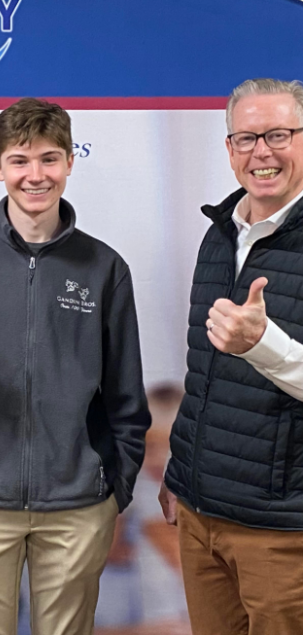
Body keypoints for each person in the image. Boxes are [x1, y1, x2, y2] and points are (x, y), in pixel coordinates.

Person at [0, 97, 150, 635]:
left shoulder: (104, 267)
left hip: (77, 503)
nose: (36, 175)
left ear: (70, 162)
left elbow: (126, 394)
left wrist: (115, 484)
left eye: (49, 158)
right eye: (20, 161)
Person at [160, 79, 303, 635]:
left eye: (277, 135)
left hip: (281, 530)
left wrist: (262, 345)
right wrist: (182, 470)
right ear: (228, 148)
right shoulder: (220, 234)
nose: (260, 152)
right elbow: (205, 376)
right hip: (200, 513)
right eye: (245, 138)